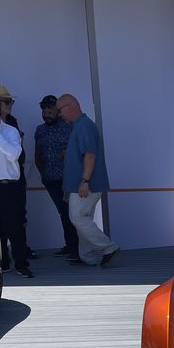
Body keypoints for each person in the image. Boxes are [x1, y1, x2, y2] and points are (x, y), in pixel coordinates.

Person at [57, 94, 119, 267]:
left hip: (85, 185)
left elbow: (90, 155)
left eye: (60, 110)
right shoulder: (81, 126)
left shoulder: (84, 126)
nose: (59, 114)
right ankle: (88, 257)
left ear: (70, 106)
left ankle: (108, 247)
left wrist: (84, 181)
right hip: (81, 185)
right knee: (84, 218)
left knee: (77, 217)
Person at [33, 94, 78, 258]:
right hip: (50, 180)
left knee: (71, 213)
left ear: (58, 111)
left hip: (68, 179)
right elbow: (38, 153)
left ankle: (77, 248)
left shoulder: (68, 126)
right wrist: (42, 174)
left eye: (49, 111)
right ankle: (70, 245)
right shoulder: (40, 130)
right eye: (44, 111)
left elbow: (78, 147)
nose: (46, 114)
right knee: (63, 213)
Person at [0, 104, 33, 278]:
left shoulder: (10, 131)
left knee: (14, 226)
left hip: (7, 186)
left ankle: (21, 263)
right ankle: (3, 262)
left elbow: (13, 154)